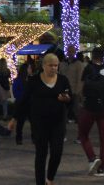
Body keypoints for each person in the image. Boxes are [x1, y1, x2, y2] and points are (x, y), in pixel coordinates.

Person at [20, 53, 72, 185]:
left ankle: (50, 177)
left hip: (58, 122)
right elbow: (24, 100)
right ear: (44, 66)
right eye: (51, 65)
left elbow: (70, 97)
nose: (54, 68)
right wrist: (16, 118)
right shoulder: (34, 81)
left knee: (57, 152)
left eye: (56, 65)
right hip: (40, 123)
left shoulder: (63, 80)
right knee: (41, 154)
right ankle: (40, 182)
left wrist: (66, 99)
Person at [77, 46, 104, 177]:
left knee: (83, 134)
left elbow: (81, 88)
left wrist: (80, 100)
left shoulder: (88, 69)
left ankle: (92, 158)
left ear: (93, 56)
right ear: (103, 57)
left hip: (89, 107)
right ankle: (101, 168)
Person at [11, 61, 34, 145]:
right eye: (29, 68)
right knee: (20, 122)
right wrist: (22, 97)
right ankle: (19, 138)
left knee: (33, 122)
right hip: (21, 104)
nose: (31, 69)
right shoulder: (18, 80)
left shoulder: (32, 79)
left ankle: (34, 138)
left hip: (30, 103)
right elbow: (15, 92)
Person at [63, 52, 86, 122]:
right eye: (69, 51)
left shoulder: (79, 64)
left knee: (76, 105)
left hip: (74, 88)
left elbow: (80, 78)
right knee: (66, 105)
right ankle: (67, 118)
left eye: (72, 51)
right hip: (66, 88)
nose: (70, 54)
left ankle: (77, 118)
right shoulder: (64, 63)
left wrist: (78, 89)